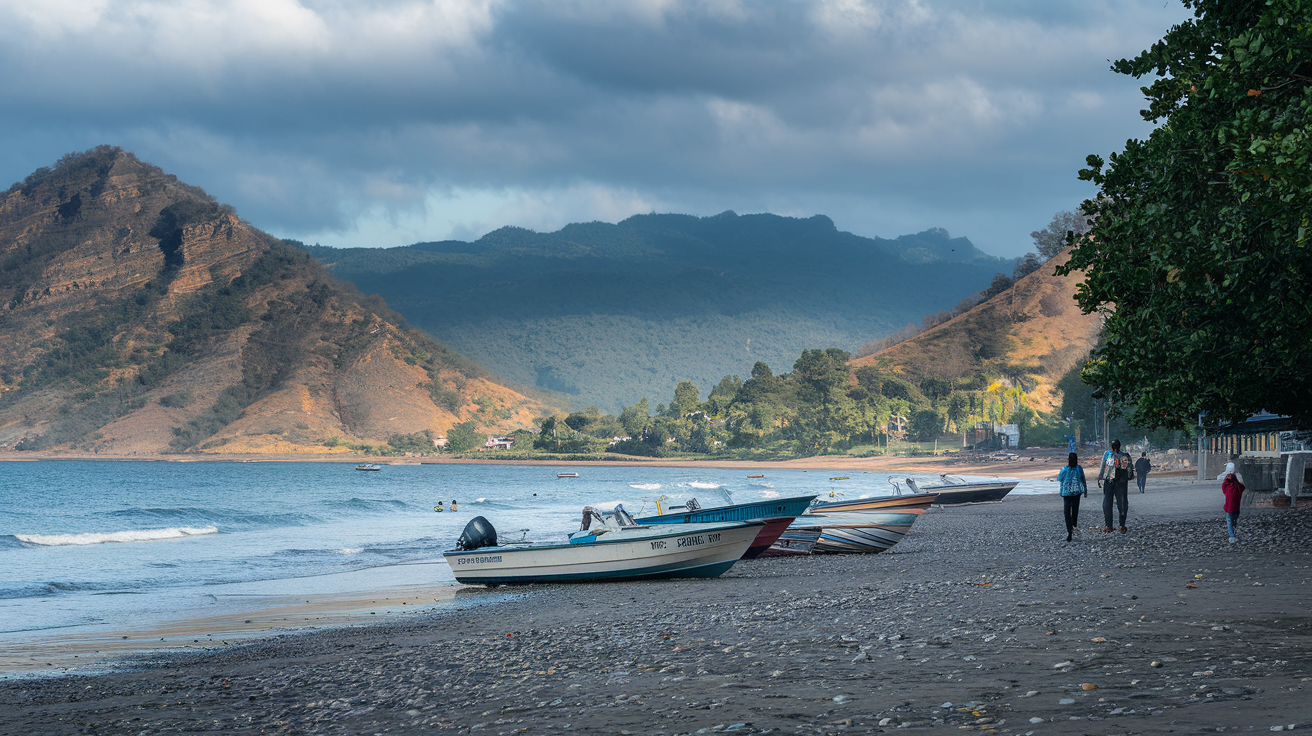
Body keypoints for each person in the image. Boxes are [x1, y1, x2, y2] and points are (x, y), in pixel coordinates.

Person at [1097, 439, 1134, 533]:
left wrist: (1100, 478)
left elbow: (1103, 467)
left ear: (1111, 446)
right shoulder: (1125, 456)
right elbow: (1130, 469)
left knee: (1107, 503)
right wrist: (1129, 477)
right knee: (1122, 503)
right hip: (1121, 482)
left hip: (1109, 481)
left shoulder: (1107, 454)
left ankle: (1108, 526)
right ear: (1120, 446)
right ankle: (1122, 525)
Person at [1057, 452, 1088, 542]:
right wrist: (1085, 490)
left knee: (1067, 512)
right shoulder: (1079, 468)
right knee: (1074, 511)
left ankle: (1070, 530)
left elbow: (1059, 479)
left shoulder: (1064, 469)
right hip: (1076, 493)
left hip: (1067, 494)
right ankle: (1073, 526)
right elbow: (1083, 479)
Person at [1221, 462, 1245, 543]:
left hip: (1228, 507)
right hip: (1236, 507)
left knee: (1229, 521)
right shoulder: (1238, 486)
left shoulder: (1227, 485)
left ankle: (1232, 536)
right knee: (1234, 520)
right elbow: (1242, 487)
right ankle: (1233, 533)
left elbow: (1223, 488)